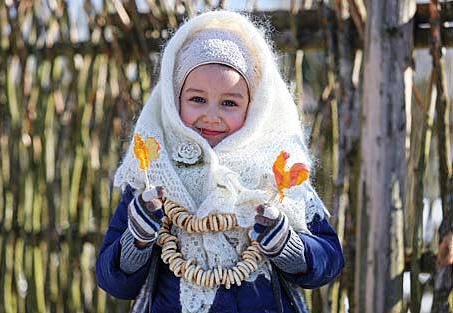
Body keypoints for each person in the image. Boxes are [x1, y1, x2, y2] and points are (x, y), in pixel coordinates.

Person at [96, 10, 344, 313]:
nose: (211, 116)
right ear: (174, 100)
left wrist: (285, 244)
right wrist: (139, 238)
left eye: (229, 103)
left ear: (255, 107)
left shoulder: (275, 176)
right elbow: (116, 282)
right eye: (197, 99)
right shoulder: (153, 176)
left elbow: (328, 259)